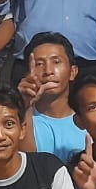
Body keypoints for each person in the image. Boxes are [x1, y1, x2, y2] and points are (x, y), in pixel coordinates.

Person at [16, 32, 87, 164]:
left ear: (73, 72)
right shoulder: (19, 120)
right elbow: (28, 167)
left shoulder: (89, 118)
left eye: (56, 62)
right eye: (39, 64)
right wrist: (25, 106)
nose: (48, 71)